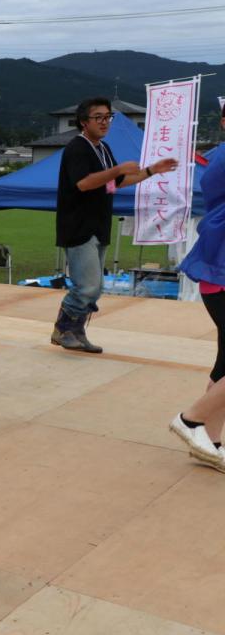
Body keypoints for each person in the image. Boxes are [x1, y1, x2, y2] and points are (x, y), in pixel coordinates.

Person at [53, 97, 178, 352]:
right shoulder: (77, 148)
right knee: (86, 286)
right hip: (78, 226)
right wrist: (116, 169)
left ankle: (75, 332)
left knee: (96, 288)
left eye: (108, 116)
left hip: (98, 225)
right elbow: (84, 183)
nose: (104, 122)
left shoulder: (103, 149)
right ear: (83, 122)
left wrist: (152, 170)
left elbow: (115, 183)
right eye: (98, 117)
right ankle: (63, 329)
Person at [171, 100, 225, 469]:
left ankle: (212, 442)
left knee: (224, 366)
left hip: (214, 273)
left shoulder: (216, 158)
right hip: (220, 273)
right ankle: (190, 420)